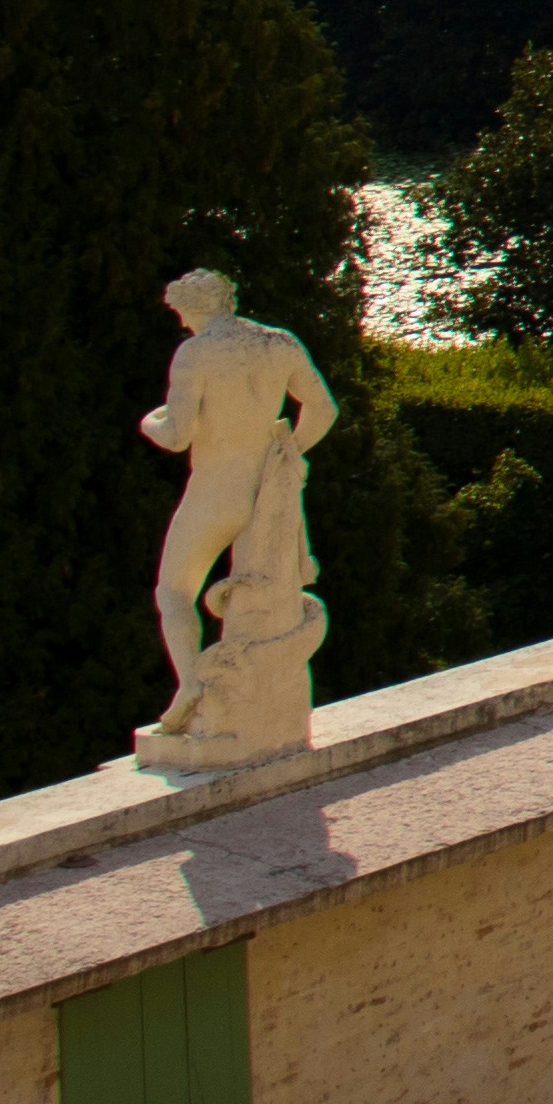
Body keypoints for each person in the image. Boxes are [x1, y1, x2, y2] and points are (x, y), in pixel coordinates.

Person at [138, 269, 334, 751]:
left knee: (174, 592)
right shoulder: (277, 341)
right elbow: (324, 408)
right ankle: (255, 706)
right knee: (265, 598)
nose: (181, 323)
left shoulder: (196, 352)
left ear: (195, 307)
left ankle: (191, 685)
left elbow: (177, 434)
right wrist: (289, 453)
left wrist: (148, 422)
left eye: (181, 312)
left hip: (217, 488)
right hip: (268, 492)